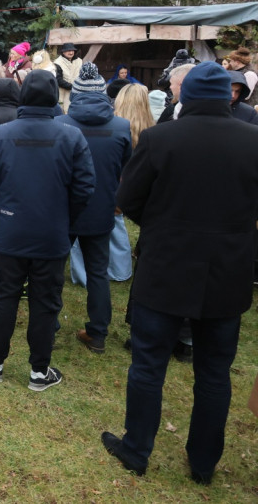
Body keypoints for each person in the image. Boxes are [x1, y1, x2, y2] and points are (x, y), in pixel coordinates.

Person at [102, 62, 258, 484]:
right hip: (226, 271)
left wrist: (162, 224)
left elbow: (128, 198)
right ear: (228, 95)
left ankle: (138, 449)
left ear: (183, 95)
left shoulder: (159, 139)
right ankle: (203, 463)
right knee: (214, 371)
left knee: (149, 364)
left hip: (167, 266)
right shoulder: (252, 141)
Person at [0, 70, 95, 391]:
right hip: (49, 234)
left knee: (5, 295)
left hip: (12, 232)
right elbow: (84, 189)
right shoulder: (70, 137)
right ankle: (36, 370)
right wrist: (63, 220)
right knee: (44, 299)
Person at [57, 64, 132, 354]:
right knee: (98, 272)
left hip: (65, 211)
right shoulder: (121, 127)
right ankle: (98, 332)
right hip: (101, 209)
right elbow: (127, 171)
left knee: (53, 271)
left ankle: (49, 325)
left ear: (74, 96)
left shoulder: (61, 124)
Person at [54, 43, 82, 112]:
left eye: (72, 50)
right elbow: (58, 79)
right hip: (62, 91)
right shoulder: (58, 62)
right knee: (63, 109)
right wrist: (72, 86)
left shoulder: (79, 61)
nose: (71, 52)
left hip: (77, 91)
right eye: (69, 50)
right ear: (63, 52)